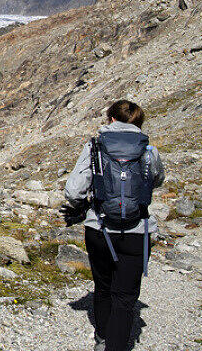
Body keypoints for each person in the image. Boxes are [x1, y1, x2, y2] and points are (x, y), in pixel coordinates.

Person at [60, 100, 165, 351]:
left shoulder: (94, 147)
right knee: (126, 297)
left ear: (111, 119)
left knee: (103, 286)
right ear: (138, 122)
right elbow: (157, 180)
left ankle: (102, 336)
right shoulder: (149, 150)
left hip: (99, 228)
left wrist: (86, 204)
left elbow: (73, 191)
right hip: (137, 230)